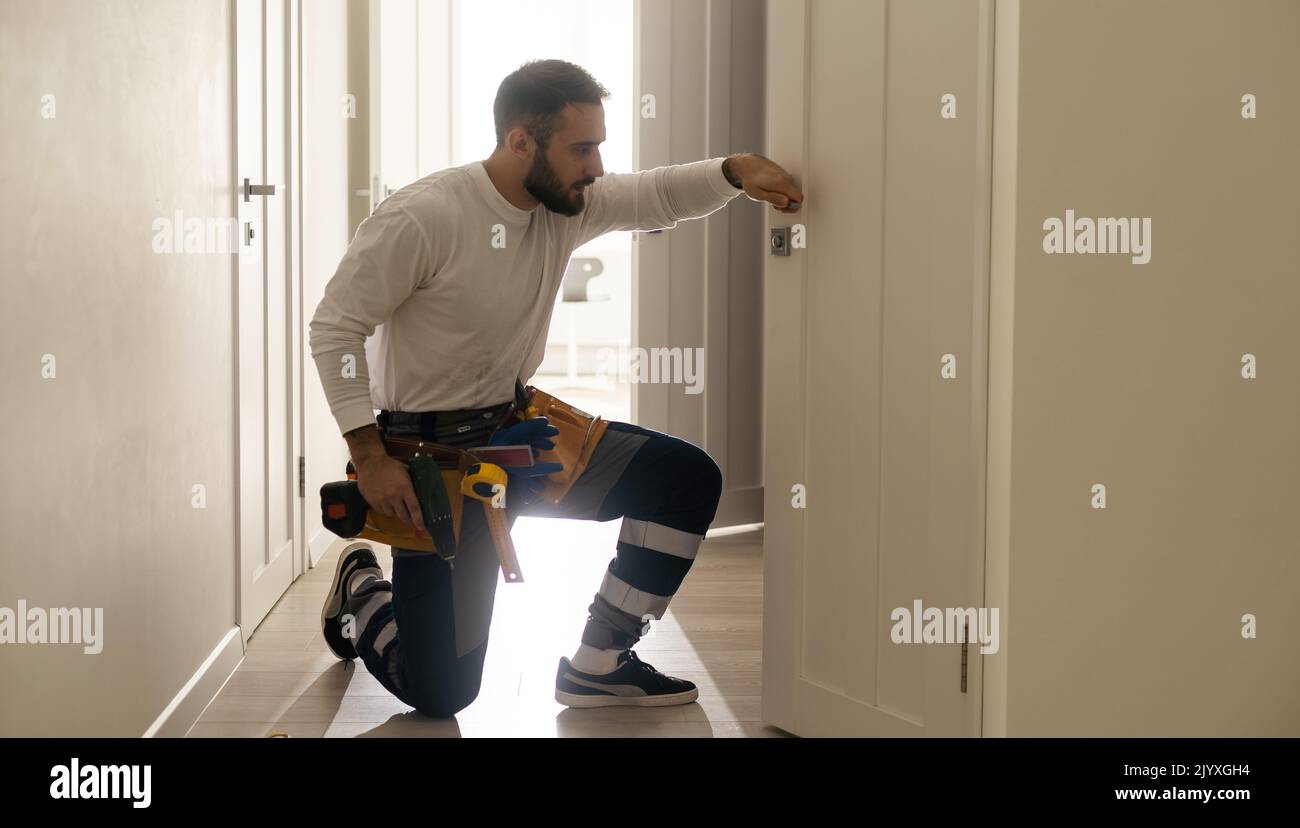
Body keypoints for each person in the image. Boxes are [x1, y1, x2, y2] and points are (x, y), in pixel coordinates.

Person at [309, 58, 803, 717]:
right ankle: (364, 588)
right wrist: (370, 460)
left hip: (525, 439)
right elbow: (334, 329)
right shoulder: (422, 217)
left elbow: (656, 194)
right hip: (434, 468)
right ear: (521, 141)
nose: (596, 165)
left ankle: (601, 665)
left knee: (684, 479)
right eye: (582, 148)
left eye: (598, 145)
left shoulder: (565, 203)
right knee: (441, 693)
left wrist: (739, 173)